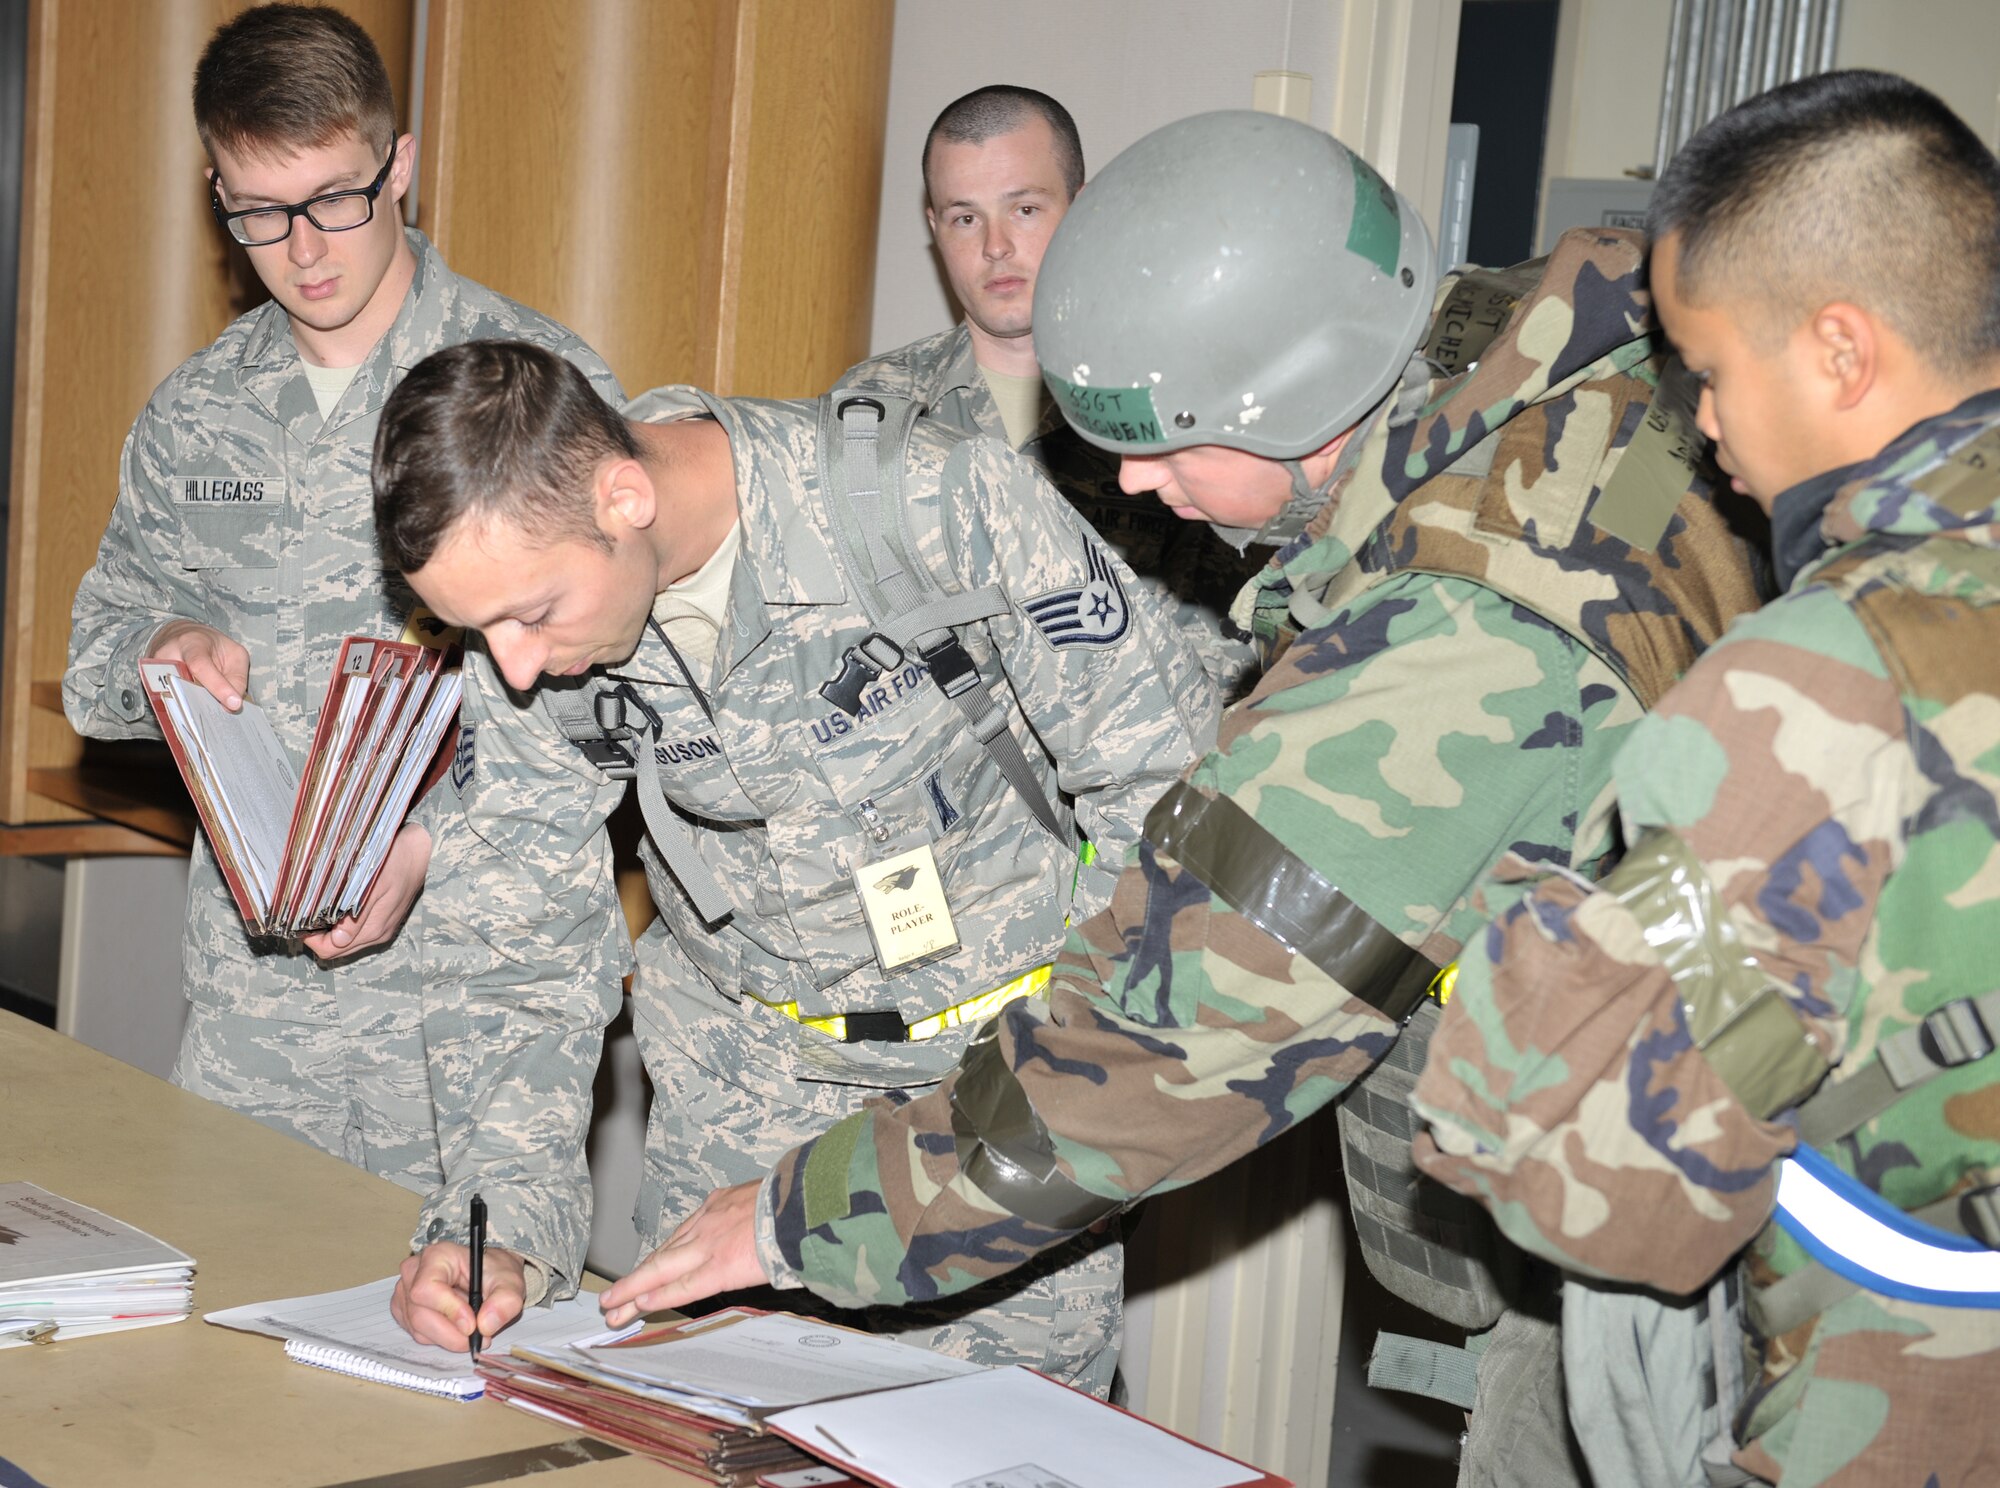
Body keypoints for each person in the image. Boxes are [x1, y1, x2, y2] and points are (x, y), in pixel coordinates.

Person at [597, 111, 1766, 1485]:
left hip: (1682, 1278)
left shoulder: (1454, 642)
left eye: (1167, 445)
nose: (1139, 485)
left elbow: (1164, 1046)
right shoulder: (1570, 359)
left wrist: (795, 1223)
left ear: (1299, 392)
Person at [375, 341, 1219, 1396]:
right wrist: (493, 1229)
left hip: (978, 1114)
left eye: (533, 613)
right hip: (735, 1120)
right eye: (474, 628)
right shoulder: (533, 628)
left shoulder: (931, 504)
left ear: (623, 495)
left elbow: (1170, 804)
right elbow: (515, 937)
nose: (510, 666)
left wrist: (1059, 1090)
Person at [1411, 70, 2000, 1487]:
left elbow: (1594, 1199)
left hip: (1899, 1405)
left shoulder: (1817, 675)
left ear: (1843, 351)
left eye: (1710, 369)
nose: (1704, 426)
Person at [61, 4, 621, 1189]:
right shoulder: (197, 411)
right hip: (255, 1015)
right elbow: (98, 658)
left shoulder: (532, 388)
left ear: (401, 164)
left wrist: (429, 844)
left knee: (455, 1349)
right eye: (257, 212)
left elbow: (613, 705)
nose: (302, 248)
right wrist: (162, 643)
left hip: (471, 1004)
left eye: (334, 199)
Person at [842, 85, 1259, 697]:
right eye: (965, 218)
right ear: (935, 228)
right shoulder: (872, 409)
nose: (995, 247)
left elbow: (1244, 629)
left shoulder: (1185, 398)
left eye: (1025, 210)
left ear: (1083, 210)